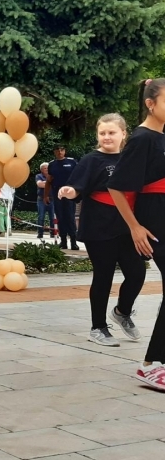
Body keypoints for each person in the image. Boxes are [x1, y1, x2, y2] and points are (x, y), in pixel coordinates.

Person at [58, 113, 145, 347]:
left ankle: (122, 311)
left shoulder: (131, 159)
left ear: (123, 134)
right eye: (102, 133)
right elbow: (77, 187)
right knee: (103, 276)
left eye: (112, 132)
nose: (107, 137)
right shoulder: (91, 160)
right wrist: (69, 191)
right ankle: (98, 328)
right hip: (98, 227)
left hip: (127, 227)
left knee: (137, 273)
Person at [108, 79, 165, 390]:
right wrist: (134, 226)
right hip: (154, 221)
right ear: (150, 103)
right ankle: (151, 365)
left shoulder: (161, 137)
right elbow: (117, 186)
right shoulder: (142, 138)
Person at [47, 144, 79, 250]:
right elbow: (49, 180)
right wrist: (46, 195)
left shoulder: (71, 162)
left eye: (62, 150)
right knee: (60, 218)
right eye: (57, 150)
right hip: (57, 194)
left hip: (69, 194)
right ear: (54, 152)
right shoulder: (52, 164)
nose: (60, 152)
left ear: (64, 151)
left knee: (70, 217)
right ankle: (63, 241)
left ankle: (73, 241)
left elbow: (78, 176)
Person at [36, 163, 55, 239]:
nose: (47, 169)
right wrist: (49, 183)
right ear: (41, 170)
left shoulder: (53, 175)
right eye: (45, 168)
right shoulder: (38, 176)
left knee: (52, 217)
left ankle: (53, 233)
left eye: (48, 168)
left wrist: (45, 183)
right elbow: (40, 185)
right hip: (41, 199)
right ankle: (40, 233)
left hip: (52, 199)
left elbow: (54, 185)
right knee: (41, 217)